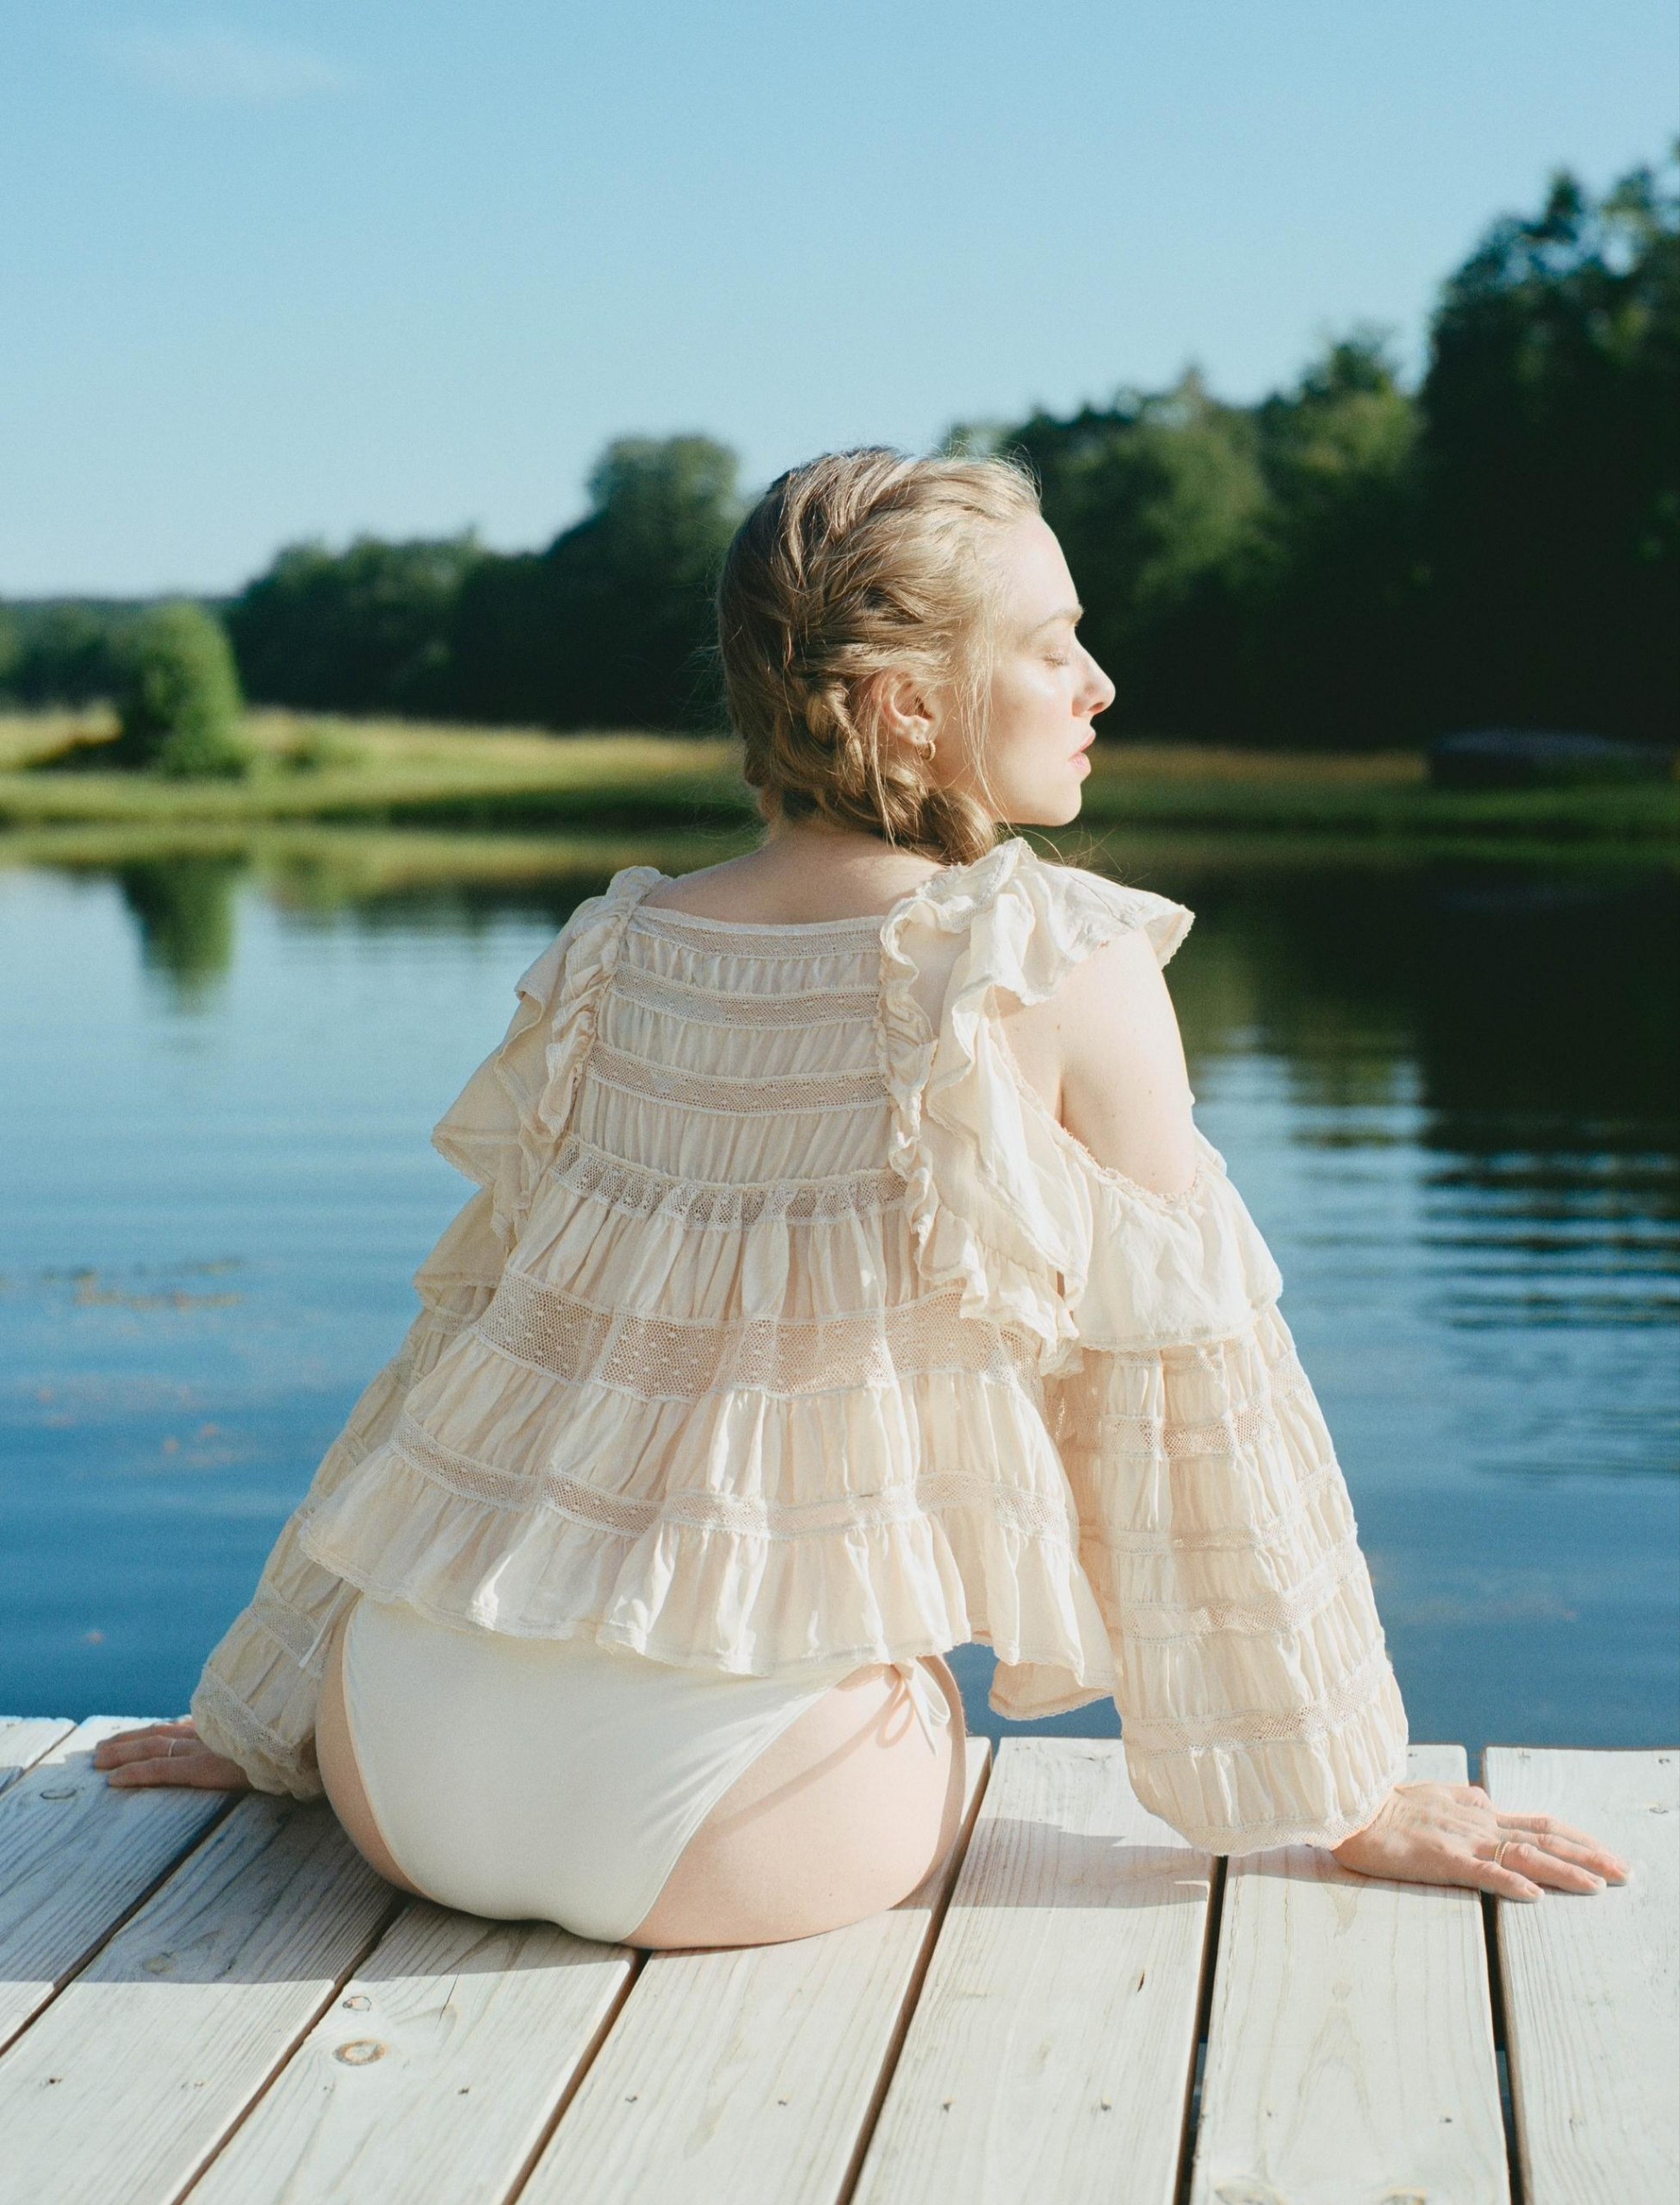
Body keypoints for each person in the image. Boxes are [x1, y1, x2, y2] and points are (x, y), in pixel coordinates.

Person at [94, 449, 1629, 1942]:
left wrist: (266, 1708)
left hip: (401, 1753)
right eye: (1052, 646)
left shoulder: (616, 956)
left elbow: (463, 1371)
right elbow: (1197, 1405)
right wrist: (1342, 1790)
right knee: (916, 1688)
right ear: (909, 707)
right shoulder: (1049, 957)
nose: (1099, 684)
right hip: (732, 1813)